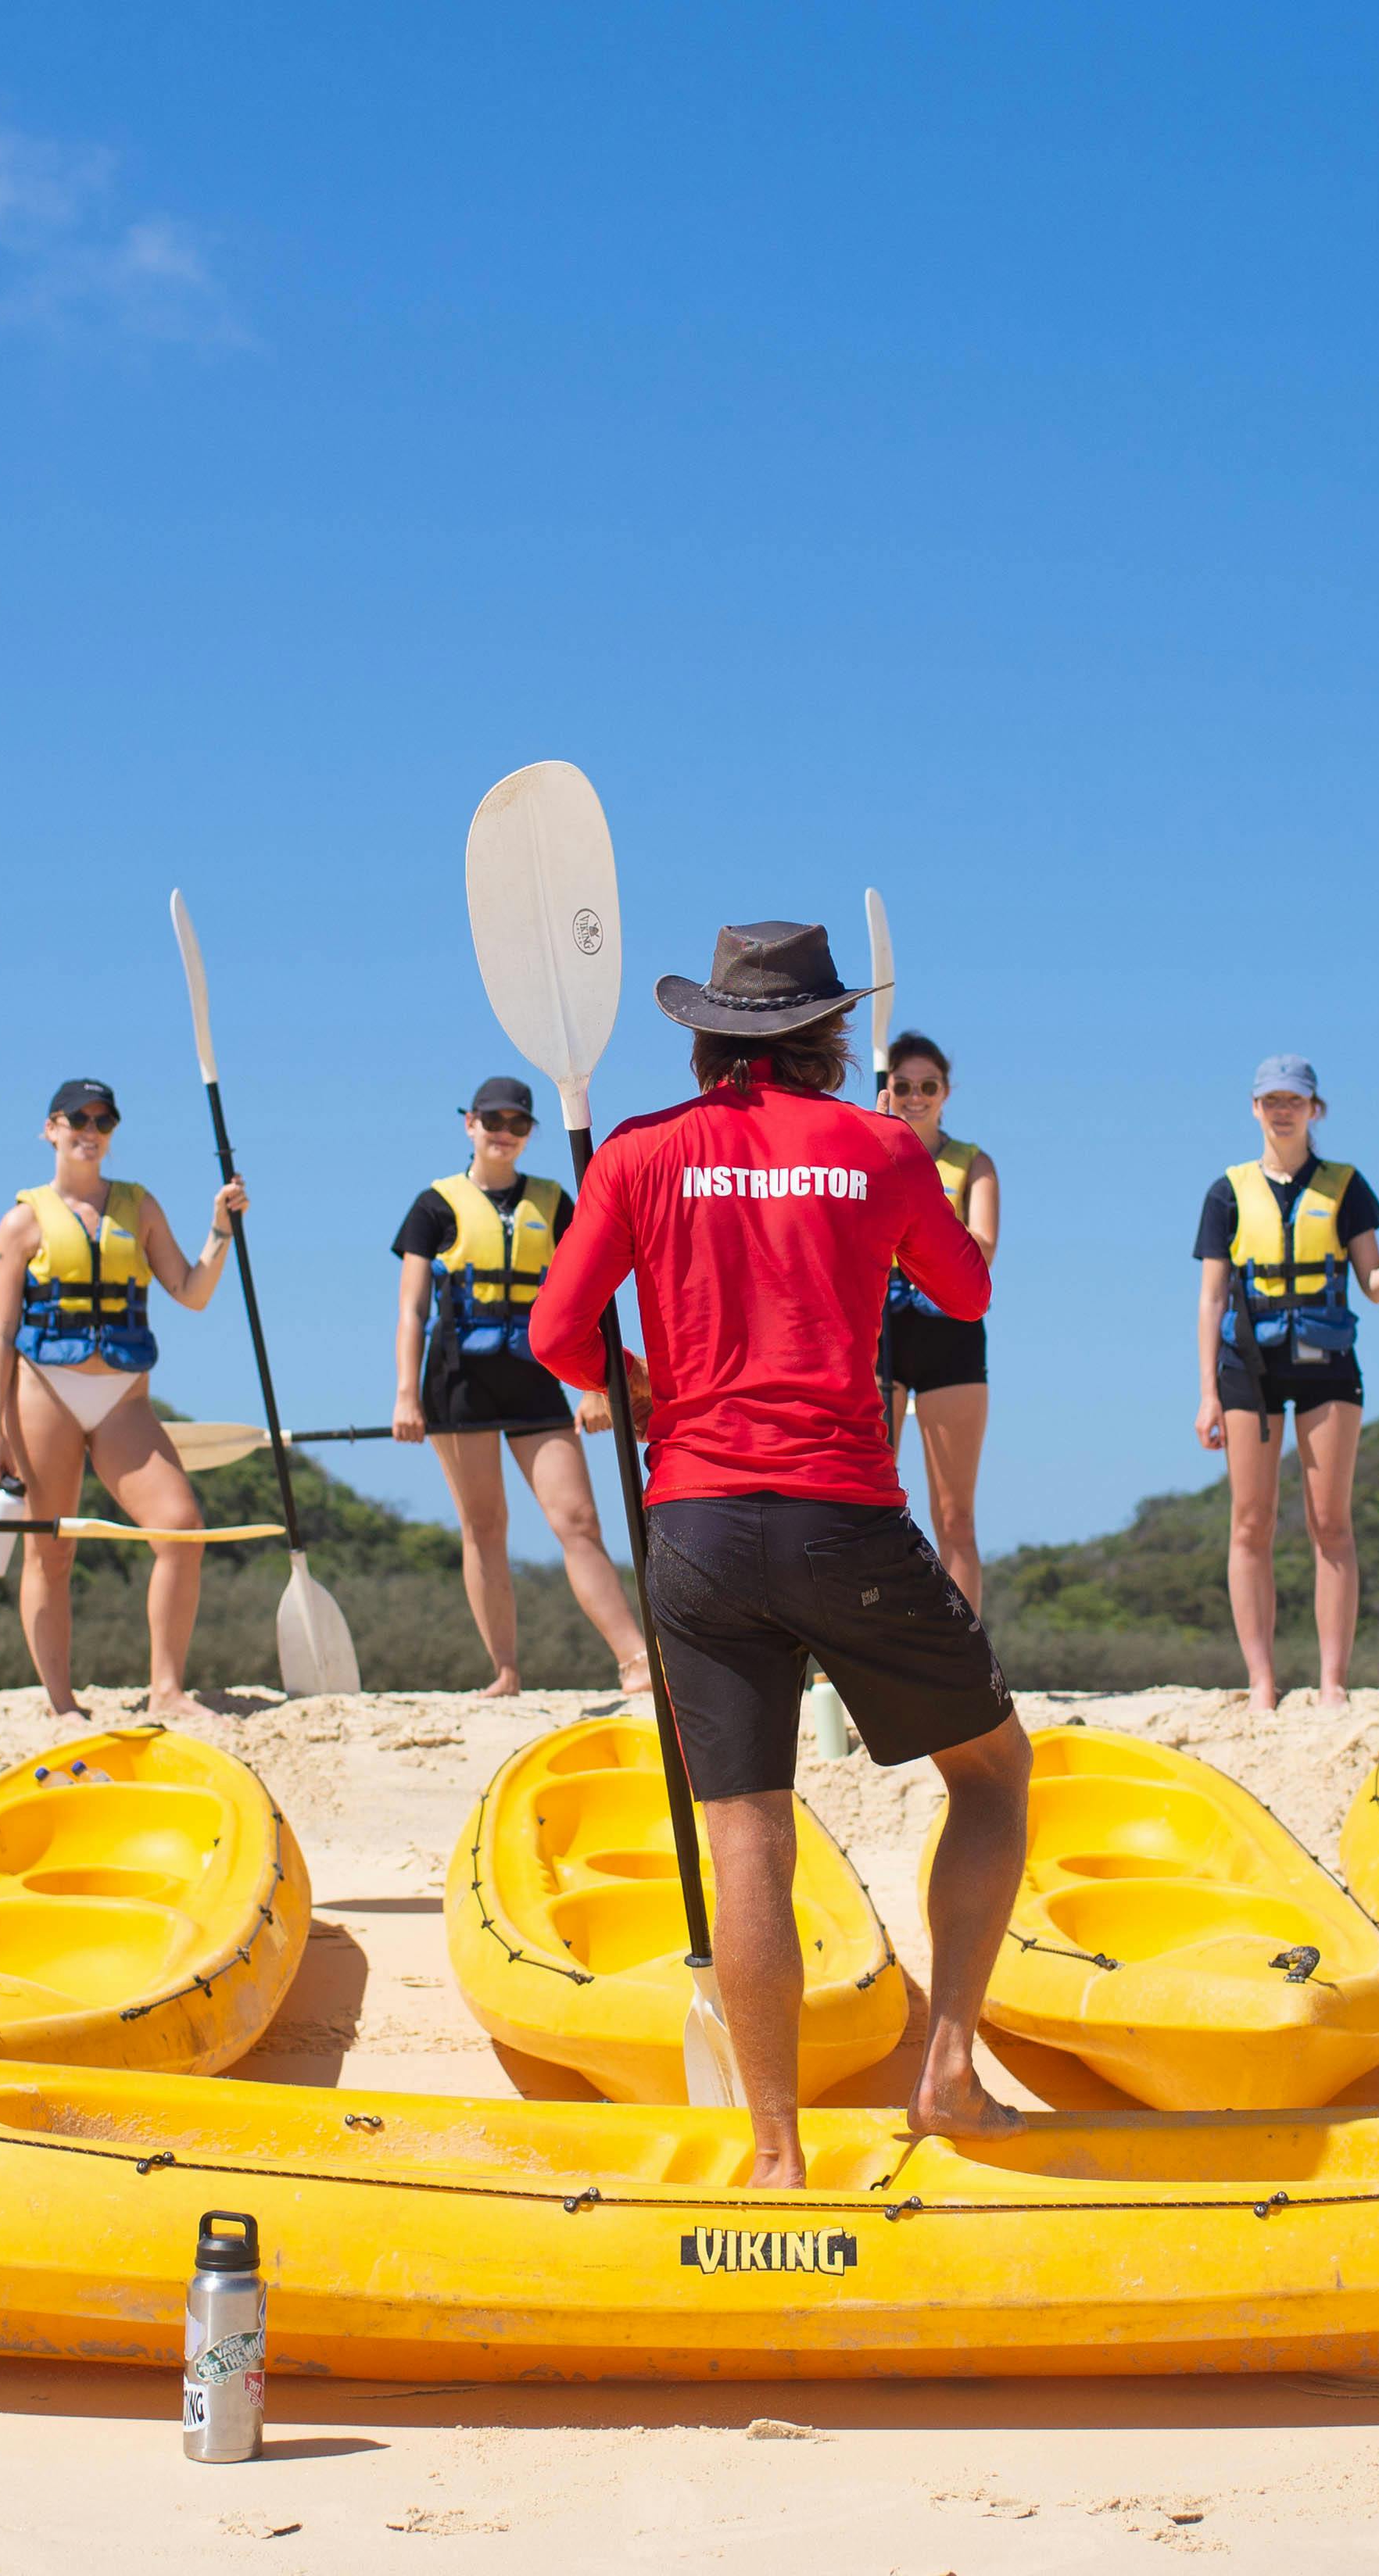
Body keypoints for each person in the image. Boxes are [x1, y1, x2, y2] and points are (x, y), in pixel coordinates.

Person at [530, 919, 1031, 2191]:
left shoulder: (642, 1151)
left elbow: (555, 1333)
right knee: (993, 1773)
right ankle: (951, 2072)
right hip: (839, 1514)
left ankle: (775, 2152)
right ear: (832, 1035)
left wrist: (630, 1375)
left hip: (692, 1528)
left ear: (707, 1035)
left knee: (748, 1832)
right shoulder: (877, 1145)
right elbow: (965, 1296)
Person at [0, 1078, 247, 1720]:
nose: (91, 1130)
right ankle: (61, 1702)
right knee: (52, 1548)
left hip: (125, 1399)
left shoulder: (140, 1207)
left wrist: (221, 1230)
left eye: (103, 1120)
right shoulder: (22, 1222)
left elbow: (191, 1290)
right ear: (51, 1128)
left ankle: (167, 1690)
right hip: (45, 1392)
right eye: (78, 1119)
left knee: (181, 1529)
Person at [1190, 1054, 1379, 1712]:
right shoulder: (1227, 1192)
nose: (1282, 1110)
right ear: (1254, 1108)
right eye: (1270, 1099)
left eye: (1294, 1100)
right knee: (1251, 1523)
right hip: (1249, 1366)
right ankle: (1262, 1683)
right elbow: (1211, 1298)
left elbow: (1375, 1287)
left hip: (1328, 1365)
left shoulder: (1345, 1186)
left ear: (1314, 1109)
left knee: (1331, 1522)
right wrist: (1208, 1394)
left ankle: (1333, 1683)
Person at [389, 1075, 655, 1695]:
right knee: (485, 1526)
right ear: (470, 1125)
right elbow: (411, 1309)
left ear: (530, 1133)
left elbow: (592, 1294)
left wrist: (596, 1388)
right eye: (492, 1121)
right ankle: (505, 1672)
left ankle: (636, 1659)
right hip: (457, 1383)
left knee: (578, 1520)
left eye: (516, 1124)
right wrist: (405, 1395)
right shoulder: (434, 1206)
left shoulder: (556, 1202)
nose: (503, 1133)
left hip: (538, 1379)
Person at [873, 1031, 998, 1610]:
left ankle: (968, 1659)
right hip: (880, 1332)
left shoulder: (972, 1163)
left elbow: (983, 1248)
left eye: (928, 1086)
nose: (915, 1096)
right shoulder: (868, 1148)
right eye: (904, 1086)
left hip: (950, 1331)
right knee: (870, 1505)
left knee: (957, 1515)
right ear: (888, 1089)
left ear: (946, 1092)